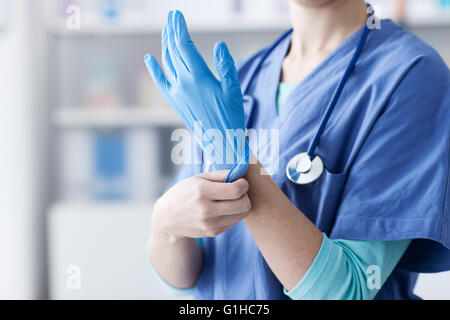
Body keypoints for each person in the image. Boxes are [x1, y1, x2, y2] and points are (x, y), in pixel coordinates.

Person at [145, 0, 450, 299]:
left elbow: (349, 291)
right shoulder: (242, 77)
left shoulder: (410, 75)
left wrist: (235, 156)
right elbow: (188, 279)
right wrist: (165, 224)